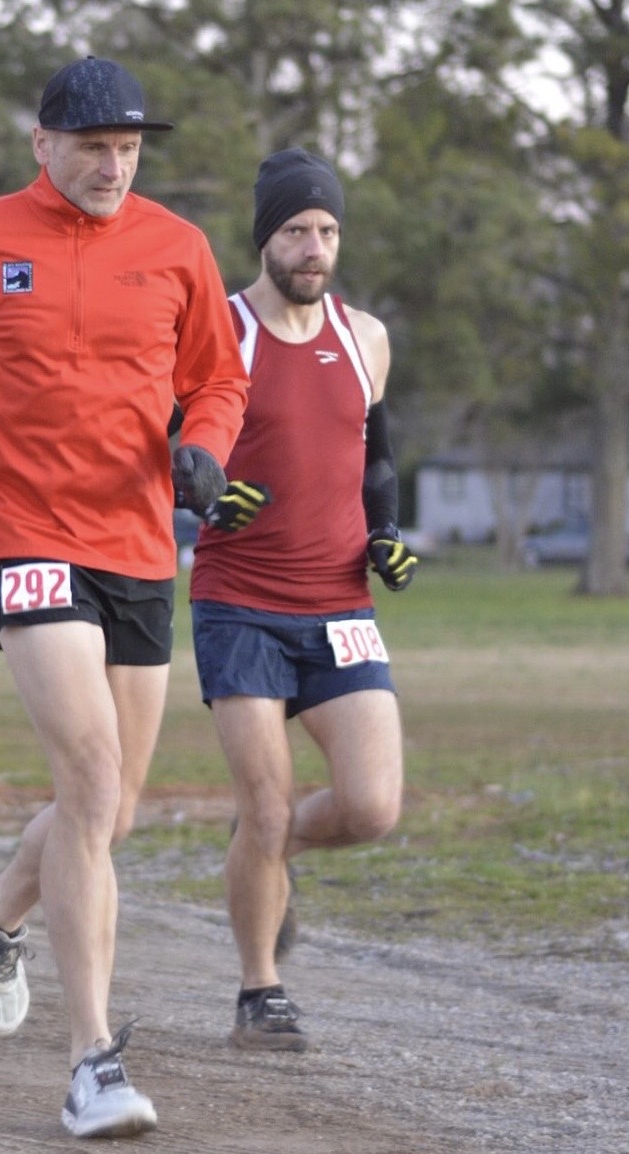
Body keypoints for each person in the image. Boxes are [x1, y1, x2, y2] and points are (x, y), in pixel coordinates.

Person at [0, 57, 250, 1139]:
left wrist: (207, 445)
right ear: (43, 145)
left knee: (112, 808)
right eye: (92, 148)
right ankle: (92, 1059)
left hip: (139, 544)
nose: (113, 167)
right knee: (88, 780)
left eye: (127, 149)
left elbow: (219, 377)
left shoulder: (178, 247)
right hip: (25, 533)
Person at [188, 147, 419, 1053]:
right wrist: (205, 497)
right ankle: (260, 991)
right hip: (238, 602)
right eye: (295, 230)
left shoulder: (365, 337)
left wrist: (386, 532)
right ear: (264, 238)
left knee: (370, 808)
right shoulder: (222, 330)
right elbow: (167, 448)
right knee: (268, 804)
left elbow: (376, 455)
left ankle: (263, 848)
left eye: (325, 230)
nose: (313, 247)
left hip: (340, 605)